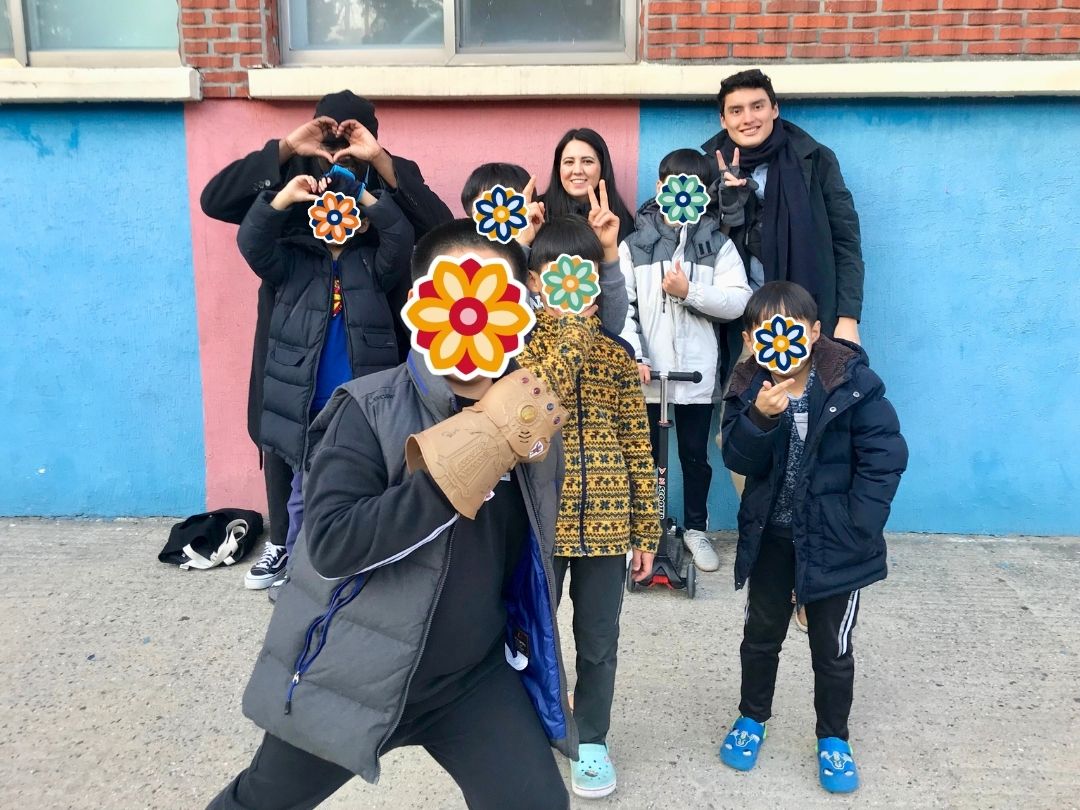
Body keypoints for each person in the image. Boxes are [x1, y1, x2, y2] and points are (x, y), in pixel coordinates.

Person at [206, 220, 583, 810]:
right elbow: (331, 543)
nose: (472, 309)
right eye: (455, 290)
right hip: (353, 672)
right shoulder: (368, 409)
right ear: (423, 304)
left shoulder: (527, 414)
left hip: (469, 679)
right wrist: (467, 459)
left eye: (491, 293)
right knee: (262, 803)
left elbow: (529, 555)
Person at [200, 90, 453, 591]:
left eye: (349, 136)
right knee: (285, 430)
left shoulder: (386, 175)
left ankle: (362, 547)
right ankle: (284, 543)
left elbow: (438, 230)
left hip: (370, 324)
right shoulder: (294, 176)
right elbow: (217, 201)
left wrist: (377, 163)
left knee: (365, 439)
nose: (337, 148)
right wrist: (288, 148)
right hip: (293, 325)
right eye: (328, 135)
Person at [717, 281, 907, 794]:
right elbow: (737, 458)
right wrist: (761, 417)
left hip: (835, 542)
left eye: (789, 326)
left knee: (832, 646)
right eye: (762, 330)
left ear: (815, 332)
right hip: (773, 538)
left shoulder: (852, 382)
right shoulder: (748, 385)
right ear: (753, 339)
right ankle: (752, 718)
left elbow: (884, 455)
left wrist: (858, 524)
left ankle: (833, 737)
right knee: (761, 634)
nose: (774, 338)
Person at [517, 215, 659, 799]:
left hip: (606, 526)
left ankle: (592, 738)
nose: (573, 288)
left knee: (599, 641)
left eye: (584, 275)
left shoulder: (618, 359)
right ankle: (527, 729)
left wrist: (645, 531)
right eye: (558, 275)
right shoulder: (520, 353)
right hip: (539, 527)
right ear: (534, 282)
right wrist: (568, 333)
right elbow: (527, 415)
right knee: (530, 636)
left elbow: (637, 444)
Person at [235, 154, 413, 587]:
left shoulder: (376, 265)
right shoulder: (291, 263)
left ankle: (357, 572)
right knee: (302, 495)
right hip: (305, 402)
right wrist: (283, 198)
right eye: (329, 205)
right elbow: (251, 243)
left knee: (361, 491)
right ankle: (300, 576)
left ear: (362, 221)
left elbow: (401, 234)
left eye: (349, 209)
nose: (339, 214)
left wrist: (363, 195)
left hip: (360, 404)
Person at [620, 149, 752, 573]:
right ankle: (638, 532)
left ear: (702, 194)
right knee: (642, 455)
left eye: (690, 185)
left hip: (695, 372)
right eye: (670, 183)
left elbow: (739, 300)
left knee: (695, 455)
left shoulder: (718, 244)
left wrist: (689, 291)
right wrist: (634, 355)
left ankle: (696, 527)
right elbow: (622, 307)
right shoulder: (634, 244)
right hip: (647, 374)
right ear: (660, 189)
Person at [460, 162, 629, 334]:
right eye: (486, 212)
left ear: (533, 208)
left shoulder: (552, 256)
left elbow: (612, 325)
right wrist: (520, 248)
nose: (501, 218)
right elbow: (502, 325)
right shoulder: (461, 269)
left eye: (512, 208)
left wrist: (608, 251)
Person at [542, 128, 635, 243]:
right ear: (558, 168)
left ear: (603, 167)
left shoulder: (620, 221)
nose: (577, 170)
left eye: (587, 161)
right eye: (569, 162)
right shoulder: (540, 213)